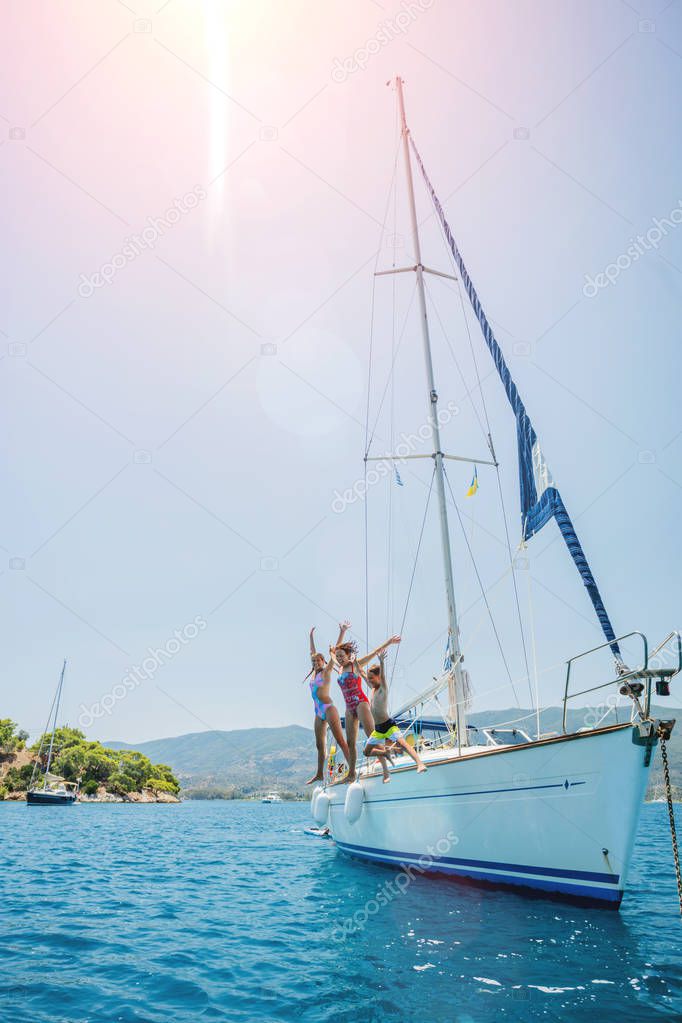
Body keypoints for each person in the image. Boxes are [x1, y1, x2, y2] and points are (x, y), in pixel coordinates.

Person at [332, 633, 401, 782]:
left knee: (372, 737)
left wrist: (389, 642)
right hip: (349, 708)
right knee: (350, 743)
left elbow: (374, 652)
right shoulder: (338, 669)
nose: (339, 658)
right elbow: (331, 653)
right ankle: (351, 774)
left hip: (361, 704)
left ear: (349, 655)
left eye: (342, 656)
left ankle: (385, 771)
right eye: (337, 656)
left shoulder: (355, 665)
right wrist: (341, 632)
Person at [364, 650, 427, 776]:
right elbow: (362, 674)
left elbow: (382, 677)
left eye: (372, 678)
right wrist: (354, 663)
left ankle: (420, 763)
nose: (369, 680)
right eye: (369, 678)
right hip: (378, 729)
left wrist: (381, 662)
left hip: (389, 725)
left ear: (378, 676)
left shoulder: (382, 688)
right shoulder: (373, 689)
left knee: (403, 743)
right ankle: (385, 753)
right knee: (366, 752)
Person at [306, 624, 351, 785]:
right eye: (313, 661)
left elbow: (334, 653)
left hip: (329, 709)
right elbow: (312, 651)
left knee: (340, 740)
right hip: (318, 713)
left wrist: (342, 632)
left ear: (323, 661)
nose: (316, 662)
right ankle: (319, 774)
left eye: (318, 660)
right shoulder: (313, 673)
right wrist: (310, 636)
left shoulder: (326, 671)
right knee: (320, 745)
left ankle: (351, 771)